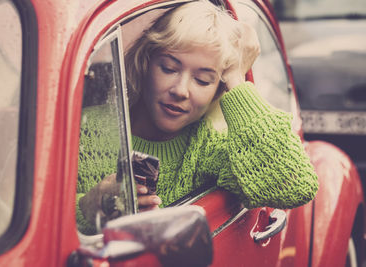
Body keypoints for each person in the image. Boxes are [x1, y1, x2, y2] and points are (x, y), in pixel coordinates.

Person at [77, 0, 319, 233]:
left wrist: (237, 79)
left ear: (218, 89)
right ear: (145, 63)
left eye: (203, 80)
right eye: (169, 68)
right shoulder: (83, 130)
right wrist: (90, 205)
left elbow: (294, 183)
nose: (181, 90)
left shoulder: (210, 148)